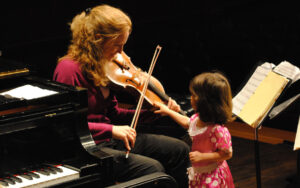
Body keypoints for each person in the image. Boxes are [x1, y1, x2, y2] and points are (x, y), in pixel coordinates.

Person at [53, 4, 190, 187]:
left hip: (111, 141)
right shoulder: (69, 69)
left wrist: (155, 112)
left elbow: (114, 114)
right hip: (88, 149)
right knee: (152, 169)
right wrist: (111, 130)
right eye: (117, 46)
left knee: (179, 150)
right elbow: (67, 124)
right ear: (97, 40)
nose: (122, 54)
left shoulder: (105, 67)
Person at [154, 71, 235, 188]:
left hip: (213, 176)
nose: (190, 98)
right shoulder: (198, 118)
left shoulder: (217, 130)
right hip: (200, 171)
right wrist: (168, 111)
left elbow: (227, 153)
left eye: (193, 95)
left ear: (205, 102)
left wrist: (203, 156)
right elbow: (187, 122)